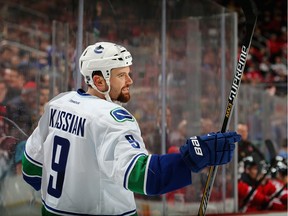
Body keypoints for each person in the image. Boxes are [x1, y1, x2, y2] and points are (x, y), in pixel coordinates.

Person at [22, 41, 241, 216]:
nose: (130, 80)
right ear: (99, 81)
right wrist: (192, 158)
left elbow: (30, 167)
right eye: (121, 75)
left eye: (128, 72)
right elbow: (144, 177)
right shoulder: (110, 118)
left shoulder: (58, 104)